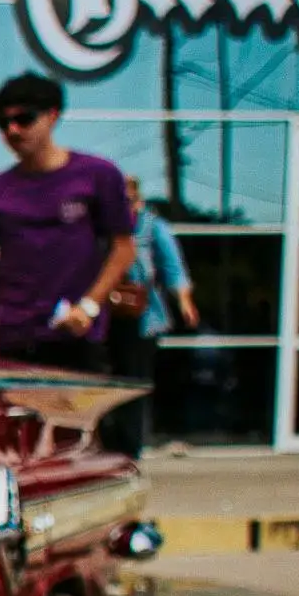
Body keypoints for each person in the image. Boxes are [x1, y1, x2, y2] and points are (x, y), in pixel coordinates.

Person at [0, 73, 135, 374]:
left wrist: (89, 306)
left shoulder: (97, 176)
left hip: (76, 338)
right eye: (3, 123)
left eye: (24, 119)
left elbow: (123, 249)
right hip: (11, 339)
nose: (13, 130)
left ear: (52, 115)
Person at [103, 168, 199, 456]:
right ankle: (105, 444)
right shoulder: (103, 227)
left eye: (128, 201)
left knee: (134, 383)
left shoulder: (151, 227)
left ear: (138, 200)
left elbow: (173, 265)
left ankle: (129, 448)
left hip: (141, 318)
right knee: (104, 383)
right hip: (104, 317)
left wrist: (184, 300)